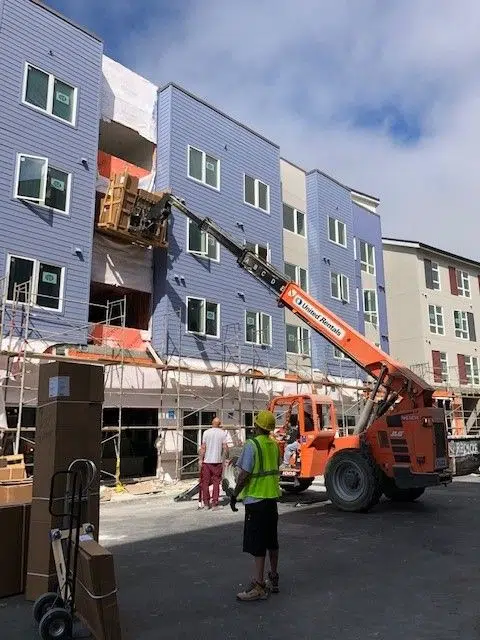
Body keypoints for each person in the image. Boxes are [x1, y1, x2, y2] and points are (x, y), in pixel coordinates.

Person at [229, 410, 281, 601]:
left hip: (256, 501)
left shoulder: (252, 445)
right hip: (271, 500)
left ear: (257, 426)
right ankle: (273, 579)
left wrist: (235, 495)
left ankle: (258, 586)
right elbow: (274, 466)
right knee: (272, 542)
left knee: (258, 545)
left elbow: (244, 474)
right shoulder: (274, 445)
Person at [198, 416, 228, 509]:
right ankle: (215, 503)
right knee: (216, 483)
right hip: (217, 462)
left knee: (205, 482)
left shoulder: (206, 432)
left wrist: (200, 459)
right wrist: (226, 458)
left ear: (212, 423)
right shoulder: (223, 433)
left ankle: (206, 503)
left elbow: (203, 447)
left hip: (207, 462)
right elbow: (225, 448)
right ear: (219, 424)